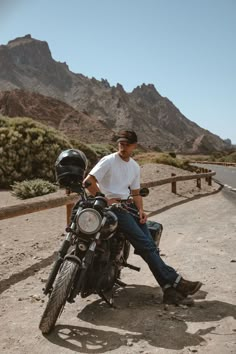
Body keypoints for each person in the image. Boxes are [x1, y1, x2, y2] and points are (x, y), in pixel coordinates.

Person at [83, 130, 202, 304]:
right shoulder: (108, 160)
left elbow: (136, 193)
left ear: (134, 146)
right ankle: (176, 282)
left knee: (150, 246)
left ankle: (168, 290)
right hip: (112, 208)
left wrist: (140, 210)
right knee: (145, 244)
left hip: (128, 206)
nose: (122, 147)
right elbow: (88, 182)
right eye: (120, 143)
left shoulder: (134, 167)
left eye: (126, 144)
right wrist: (105, 199)